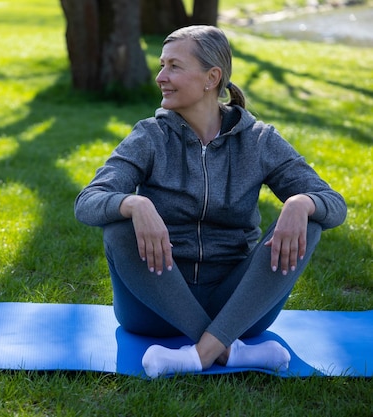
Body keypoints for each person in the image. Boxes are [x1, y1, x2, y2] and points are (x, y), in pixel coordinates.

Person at [74, 25, 347, 378]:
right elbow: (88, 201)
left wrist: (300, 203)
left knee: (307, 221)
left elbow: (333, 204)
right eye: (161, 65)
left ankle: (202, 353)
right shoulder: (150, 136)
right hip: (154, 306)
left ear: (211, 77)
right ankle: (227, 350)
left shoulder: (259, 141)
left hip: (237, 305)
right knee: (118, 223)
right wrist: (135, 205)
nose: (160, 77)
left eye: (174, 66)